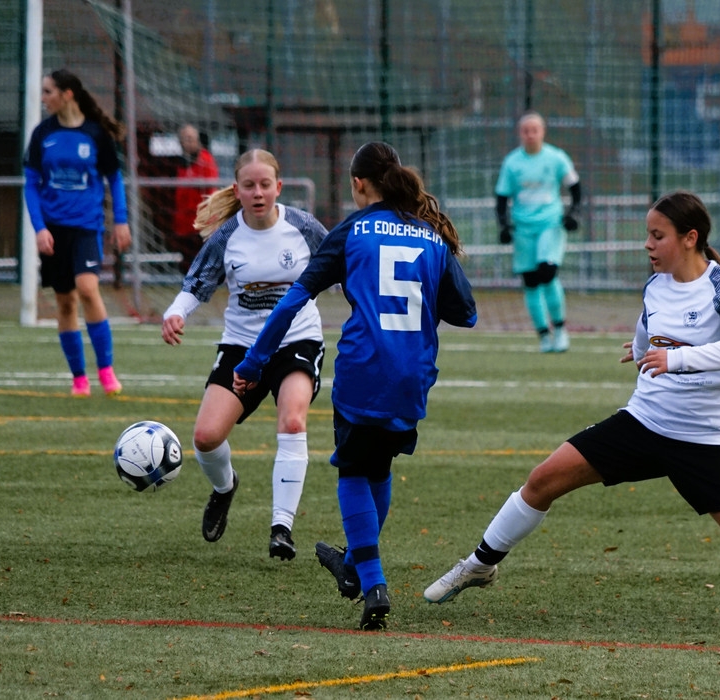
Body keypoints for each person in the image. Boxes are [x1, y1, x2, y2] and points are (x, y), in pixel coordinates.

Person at [424, 191, 720, 630]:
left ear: (690, 238)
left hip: (704, 439)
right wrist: (639, 349)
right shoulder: (655, 285)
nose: (648, 245)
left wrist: (676, 359)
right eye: (647, 235)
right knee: (542, 480)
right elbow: (648, 329)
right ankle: (479, 564)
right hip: (644, 422)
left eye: (657, 235)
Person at [233, 142, 477, 631]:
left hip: (365, 367)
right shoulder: (429, 235)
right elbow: (466, 313)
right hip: (413, 375)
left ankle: (373, 582)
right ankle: (356, 564)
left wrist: (255, 360)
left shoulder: (353, 231)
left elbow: (292, 302)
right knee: (377, 465)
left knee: (350, 470)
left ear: (358, 184)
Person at [160, 149, 329, 561]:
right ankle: (224, 487)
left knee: (292, 420)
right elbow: (197, 282)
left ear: (279, 187)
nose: (258, 193)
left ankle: (281, 528)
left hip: (297, 340)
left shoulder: (304, 228)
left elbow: (343, 269)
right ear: (237, 189)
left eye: (265, 184)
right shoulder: (227, 235)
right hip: (242, 346)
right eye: (249, 186)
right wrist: (175, 313)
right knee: (205, 437)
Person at [23, 68, 132, 398]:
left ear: (67, 94)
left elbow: (114, 179)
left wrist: (121, 221)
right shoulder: (43, 134)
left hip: (86, 226)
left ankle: (106, 370)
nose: (43, 99)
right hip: (54, 230)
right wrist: (39, 228)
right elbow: (30, 184)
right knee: (65, 302)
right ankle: (79, 378)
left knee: (87, 288)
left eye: (48, 92)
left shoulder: (95, 133)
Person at [495, 111, 581, 353]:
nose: (530, 134)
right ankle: (544, 335)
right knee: (530, 281)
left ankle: (561, 330)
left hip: (550, 224)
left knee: (548, 271)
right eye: (526, 130)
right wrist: (503, 225)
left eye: (535, 130)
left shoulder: (556, 158)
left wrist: (573, 213)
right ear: (520, 134)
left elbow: (575, 187)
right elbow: (501, 197)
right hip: (523, 228)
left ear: (542, 132)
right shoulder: (512, 162)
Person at [167, 124, 219, 274]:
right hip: (184, 222)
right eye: (183, 139)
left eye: (190, 138)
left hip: (200, 221)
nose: (187, 142)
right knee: (186, 262)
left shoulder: (205, 160)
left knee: (200, 261)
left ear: (197, 140)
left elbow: (211, 191)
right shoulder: (181, 162)